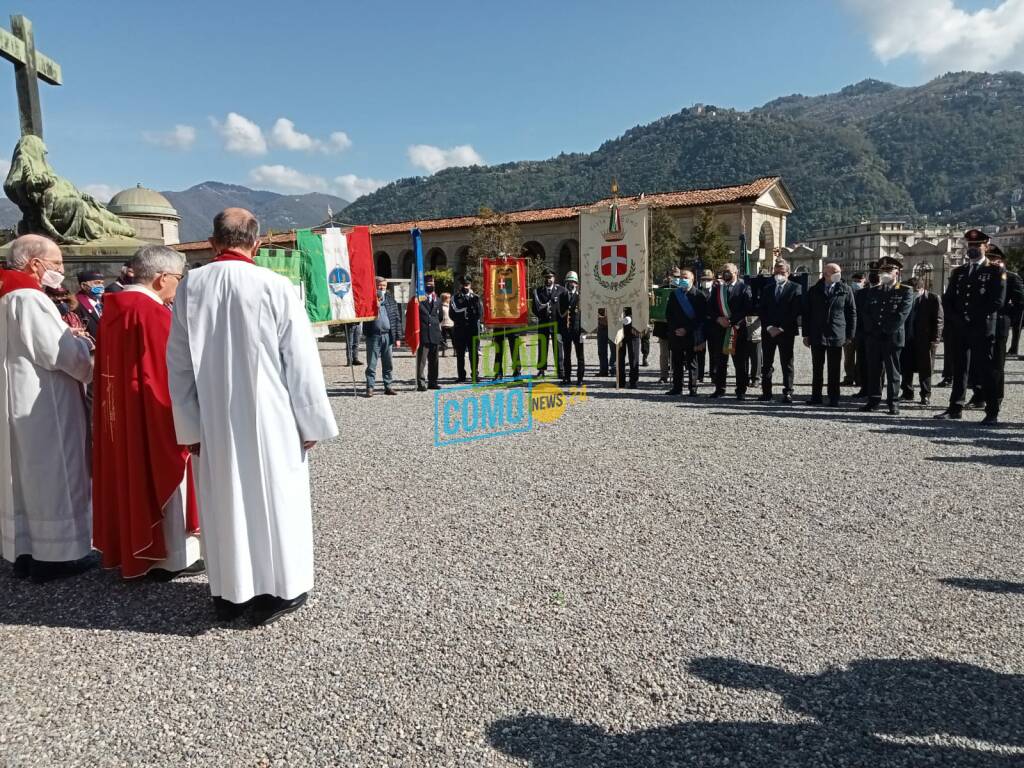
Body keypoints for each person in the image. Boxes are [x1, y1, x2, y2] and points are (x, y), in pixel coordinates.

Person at [167, 208, 338, 625]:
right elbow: (300, 361)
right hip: (273, 416)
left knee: (224, 500)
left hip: (214, 417)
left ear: (212, 243)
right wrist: (311, 422)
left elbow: (178, 364)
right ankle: (281, 588)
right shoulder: (276, 285)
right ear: (256, 244)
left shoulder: (191, 286)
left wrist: (189, 427)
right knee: (276, 498)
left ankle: (231, 592)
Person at [92, 245, 203, 581]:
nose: (178, 287)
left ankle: (135, 549)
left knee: (129, 476)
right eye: (178, 279)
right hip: (153, 416)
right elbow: (167, 377)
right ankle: (169, 558)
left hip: (121, 415)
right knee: (162, 472)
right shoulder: (153, 315)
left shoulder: (114, 308)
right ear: (161, 279)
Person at [0, 234, 95, 582]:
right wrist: (84, 351)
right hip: (45, 403)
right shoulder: (29, 299)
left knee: (22, 477)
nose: (61, 270)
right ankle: (57, 556)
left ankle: (25, 550)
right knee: (56, 475)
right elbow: (59, 354)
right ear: (34, 264)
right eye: (56, 264)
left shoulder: (5, 292)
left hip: (13, 397)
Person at [935, 230, 1007, 423]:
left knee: (986, 369)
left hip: (982, 328)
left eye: (977, 245)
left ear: (986, 246)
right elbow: (948, 300)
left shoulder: (995, 271)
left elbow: (996, 302)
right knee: (959, 369)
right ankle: (955, 407)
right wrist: (957, 319)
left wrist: (972, 318)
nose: (973, 249)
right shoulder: (959, 272)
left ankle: (992, 411)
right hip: (960, 328)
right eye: (970, 245)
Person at [859, 260, 914, 415]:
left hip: (892, 337)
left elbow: (902, 314)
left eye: (889, 270)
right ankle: (873, 400)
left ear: (897, 272)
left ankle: (893, 403)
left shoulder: (905, 290)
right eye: (883, 270)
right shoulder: (874, 290)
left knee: (893, 372)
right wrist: (873, 330)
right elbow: (866, 312)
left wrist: (886, 330)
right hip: (874, 337)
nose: (885, 273)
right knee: (874, 371)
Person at [803, 262, 856, 407]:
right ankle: (816, 396)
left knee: (834, 368)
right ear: (825, 274)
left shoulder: (845, 289)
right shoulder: (814, 290)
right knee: (817, 367)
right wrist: (806, 334)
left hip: (836, 333)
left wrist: (850, 335)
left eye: (839, 271)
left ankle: (834, 397)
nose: (838, 274)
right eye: (834, 272)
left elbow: (852, 313)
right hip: (817, 333)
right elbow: (807, 313)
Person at [980, 245, 1022, 417]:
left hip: (999, 327)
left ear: (1001, 260)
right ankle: (980, 396)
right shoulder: (981, 276)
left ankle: (995, 403)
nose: (990, 261)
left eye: (993, 258)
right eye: (988, 257)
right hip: (981, 326)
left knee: (996, 367)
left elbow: (1020, 302)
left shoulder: (1012, 277)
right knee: (981, 365)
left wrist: (1006, 316)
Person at [758, 259, 803, 404]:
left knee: (787, 362)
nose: (779, 275)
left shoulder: (796, 288)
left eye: (782, 272)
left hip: (786, 331)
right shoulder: (767, 288)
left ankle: (788, 392)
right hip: (769, 332)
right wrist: (770, 327)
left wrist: (781, 328)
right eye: (776, 272)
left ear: (788, 273)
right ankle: (766, 392)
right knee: (767, 363)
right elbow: (762, 310)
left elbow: (795, 311)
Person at [707, 263, 752, 400]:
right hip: (720, 330)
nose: (726, 273)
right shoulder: (717, 289)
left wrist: (732, 321)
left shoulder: (744, 287)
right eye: (724, 271)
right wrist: (718, 318)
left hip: (737, 330)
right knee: (720, 361)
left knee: (740, 363)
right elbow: (710, 308)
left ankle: (740, 391)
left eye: (728, 271)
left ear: (736, 272)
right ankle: (719, 389)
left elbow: (747, 308)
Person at [899, 276, 943, 406]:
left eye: (915, 291)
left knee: (925, 369)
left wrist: (935, 340)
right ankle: (907, 392)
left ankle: (925, 394)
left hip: (925, 340)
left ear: (921, 288)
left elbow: (939, 321)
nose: (912, 293)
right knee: (906, 367)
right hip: (907, 338)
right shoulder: (905, 297)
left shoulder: (933, 298)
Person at [665, 269, 707, 396]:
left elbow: (701, 317)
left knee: (692, 363)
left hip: (691, 334)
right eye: (681, 277)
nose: (683, 279)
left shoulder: (699, 295)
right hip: (677, 334)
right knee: (676, 362)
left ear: (692, 280)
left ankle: (692, 388)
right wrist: (676, 329)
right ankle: (677, 387)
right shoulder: (674, 294)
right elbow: (669, 314)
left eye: (686, 277)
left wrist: (686, 329)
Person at [363, 276, 400, 397]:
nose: (381, 288)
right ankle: (370, 387)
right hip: (373, 336)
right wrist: (374, 305)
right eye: (379, 285)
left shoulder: (390, 299)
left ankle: (388, 386)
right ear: (374, 285)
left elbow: (396, 318)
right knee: (372, 364)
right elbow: (363, 312)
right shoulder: (369, 298)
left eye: (384, 286)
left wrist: (398, 337)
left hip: (387, 336)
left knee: (388, 363)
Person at [450, 273, 483, 383]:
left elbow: (480, 313)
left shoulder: (476, 298)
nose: (465, 287)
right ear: (460, 285)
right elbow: (453, 313)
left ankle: (475, 374)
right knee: (460, 354)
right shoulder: (455, 298)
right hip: (460, 329)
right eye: (463, 285)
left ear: (470, 285)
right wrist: (467, 308)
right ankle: (461, 375)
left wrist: (472, 315)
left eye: (467, 285)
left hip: (472, 329)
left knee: (474, 353)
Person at [532, 268, 563, 377]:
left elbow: (564, 307)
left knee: (558, 347)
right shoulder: (538, 291)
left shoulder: (561, 290)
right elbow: (534, 308)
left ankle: (560, 370)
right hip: (543, 323)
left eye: (550, 277)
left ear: (554, 278)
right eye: (546, 277)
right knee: (542, 347)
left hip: (557, 324)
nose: (548, 279)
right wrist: (542, 315)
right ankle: (541, 370)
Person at [416, 276, 443, 390]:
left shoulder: (437, 299)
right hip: (423, 333)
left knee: (434, 360)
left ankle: (433, 382)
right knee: (421, 360)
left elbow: (440, 316)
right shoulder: (418, 299)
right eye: (428, 283)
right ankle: (421, 383)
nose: (430, 284)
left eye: (432, 282)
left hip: (435, 333)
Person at [558, 271, 584, 386]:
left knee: (580, 356)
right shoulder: (562, 296)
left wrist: (584, 331)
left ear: (577, 284)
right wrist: (558, 332)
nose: (571, 284)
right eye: (569, 282)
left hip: (578, 331)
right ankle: (567, 377)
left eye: (573, 282)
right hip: (565, 331)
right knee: (566, 356)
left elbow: (585, 315)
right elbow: (558, 315)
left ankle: (580, 378)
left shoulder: (581, 297)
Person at [652, 269, 677, 384]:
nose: (672, 278)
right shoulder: (660, 291)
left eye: (675, 276)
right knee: (664, 354)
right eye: (671, 275)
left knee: (676, 353)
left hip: (676, 326)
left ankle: (676, 374)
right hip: (663, 326)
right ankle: (663, 375)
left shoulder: (680, 291)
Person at [842, 273, 865, 386]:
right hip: (848, 329)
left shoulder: (867, 293)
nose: (856, 282)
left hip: (862, 330)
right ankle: (849, 377)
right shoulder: (847, 292)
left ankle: (860, 378)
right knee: (848, 357)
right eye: (855, 280)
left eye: (859, 280)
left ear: (864, 280)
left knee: (861, 357)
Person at [74, 269, 105, 340]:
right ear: (83, 285)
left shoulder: (102, 302)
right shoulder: (76, 304)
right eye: (97, 283)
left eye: (102, 283)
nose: (101, 286)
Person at [616, 308, 642, 389]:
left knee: (634, 357)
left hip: (634, 328)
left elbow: (642, 307)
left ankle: (633, 381)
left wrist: (631, 317)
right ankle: (620, 381)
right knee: (619, 356)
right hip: (619, 327)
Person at [697, 269, 715, 383]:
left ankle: (714, 374)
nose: (706, 281)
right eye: (704, 280)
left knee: (714, 352)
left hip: (714, 325)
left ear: (712, 280)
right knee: (700, 351)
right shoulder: (697, 293)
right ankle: (700, 375)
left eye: (708, 279)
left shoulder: (717, 292)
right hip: (701, 326)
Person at [596, 308, 616, 378]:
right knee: (601, 350)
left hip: (613, 326)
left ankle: (613, 369)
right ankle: (603, 370)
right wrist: (598, 317)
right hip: (601, 327)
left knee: (614, 350)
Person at [439, 291, 454, 357]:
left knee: (453, 339)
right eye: (449, 298)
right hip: (443, 324)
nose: (450, 299)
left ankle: (455, 351)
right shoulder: (440, 306)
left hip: (451, 324)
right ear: (445, 298)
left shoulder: (451, 306)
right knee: (443, 339)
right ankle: (443, 352)